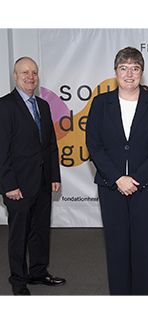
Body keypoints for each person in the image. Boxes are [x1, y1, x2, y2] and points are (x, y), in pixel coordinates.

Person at [86, 47, 148, 295]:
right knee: (116, 248)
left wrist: (136, 179)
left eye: (135, 68)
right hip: (111, 187)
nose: (129, 73)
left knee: (145, 249)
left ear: (142, 73)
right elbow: (94, 145)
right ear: (116, 72)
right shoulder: (101, 103)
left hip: (147, 187)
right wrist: (118, 178)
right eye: (124, 68)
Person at [0, 57, 66, 295]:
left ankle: (38, 272)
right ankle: (18, 280)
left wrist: (54, 175)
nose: (31, 76)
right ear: (15, 76)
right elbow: (1, 149)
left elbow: (49, 145)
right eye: (25, 72)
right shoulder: (5, 106)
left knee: (40, 231)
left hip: (42, 182)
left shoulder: (43, 105)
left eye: (34, 72)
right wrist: (8, 184)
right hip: (17, 185)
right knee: (18, 235)